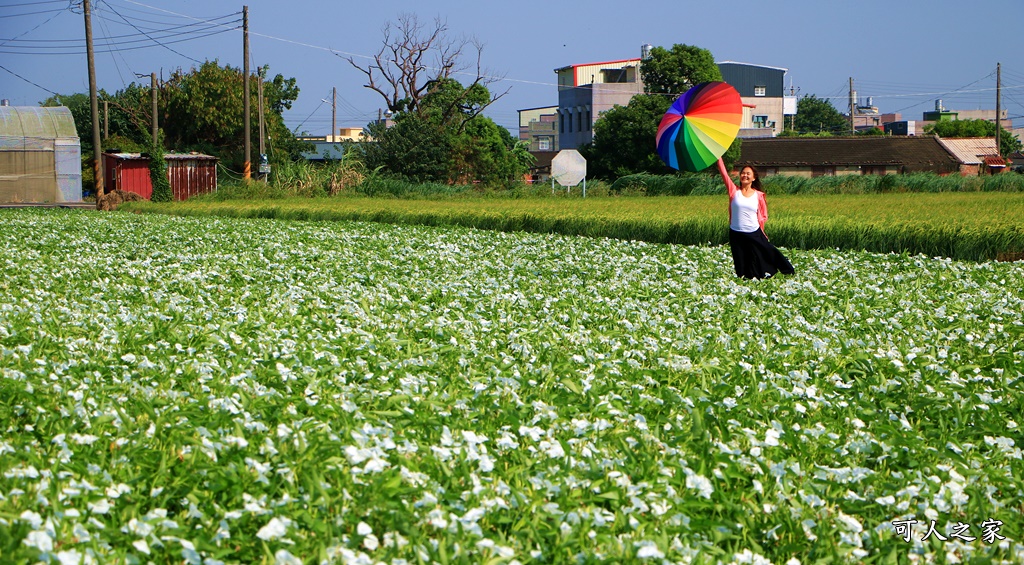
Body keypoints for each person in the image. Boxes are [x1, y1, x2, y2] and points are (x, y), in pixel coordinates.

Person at [716, 158, 794, 279]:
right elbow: (724, 173)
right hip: (736, 233)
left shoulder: (758, 195)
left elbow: (763, 216)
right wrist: (718, 158)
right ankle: (745, 279)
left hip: (753, 231)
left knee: (767, 252)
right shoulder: (734, 191)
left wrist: (762, 231)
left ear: (753, 178)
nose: (745, 175)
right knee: (740, 261)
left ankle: (787, 271)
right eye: (743, 173)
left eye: (748, 173)